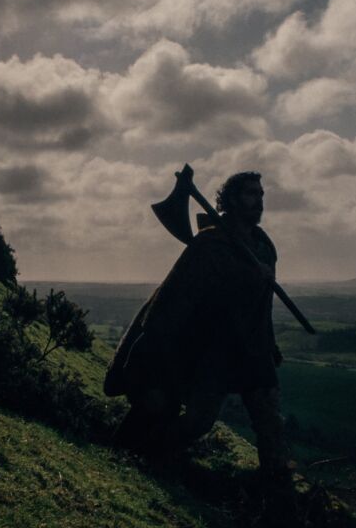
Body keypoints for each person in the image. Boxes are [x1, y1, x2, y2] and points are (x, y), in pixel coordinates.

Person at [105, 171, 292, 483]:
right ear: (231, 200)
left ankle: (278, 491)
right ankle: (148, 451)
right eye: (250, 194)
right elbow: (181, 298)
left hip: (253, 348)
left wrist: (269, 345)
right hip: (215, 350)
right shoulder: (210, 245)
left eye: (261, 194)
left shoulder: (263, 247)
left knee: (269, 419)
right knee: (198, 421)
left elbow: (261, 306)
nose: (258, 201)